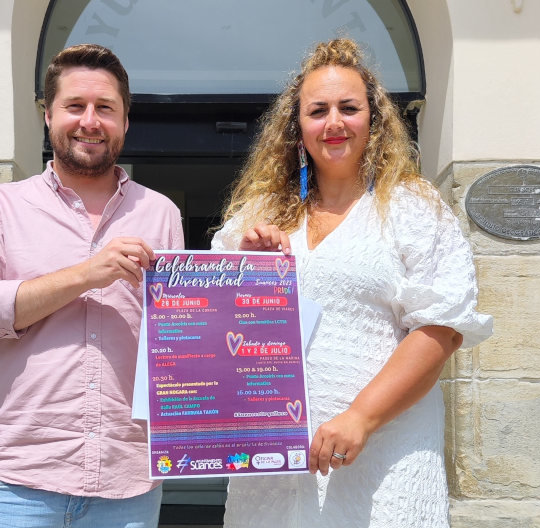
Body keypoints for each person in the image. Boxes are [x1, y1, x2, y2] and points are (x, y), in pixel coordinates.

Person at [211, 38, 493, 527]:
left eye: (349, 107)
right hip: (274, 467)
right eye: (318, 110)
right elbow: (213, 334)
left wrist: (360, 417)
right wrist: (244, 274)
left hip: (385, 459)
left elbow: (441, 330)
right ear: (297, 128)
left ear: (374, 120)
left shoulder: (413, 207)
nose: (334, 123)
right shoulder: (253, 218)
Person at [0, 43, 183, 528]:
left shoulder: (161, 213)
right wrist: (85, 274)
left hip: (129, 480)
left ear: (125, 120)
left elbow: (179, 336)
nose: (90, 121)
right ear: (48, 115)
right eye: (75, 106)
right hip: (18, 480)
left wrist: (250, 273)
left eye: (105, 109)